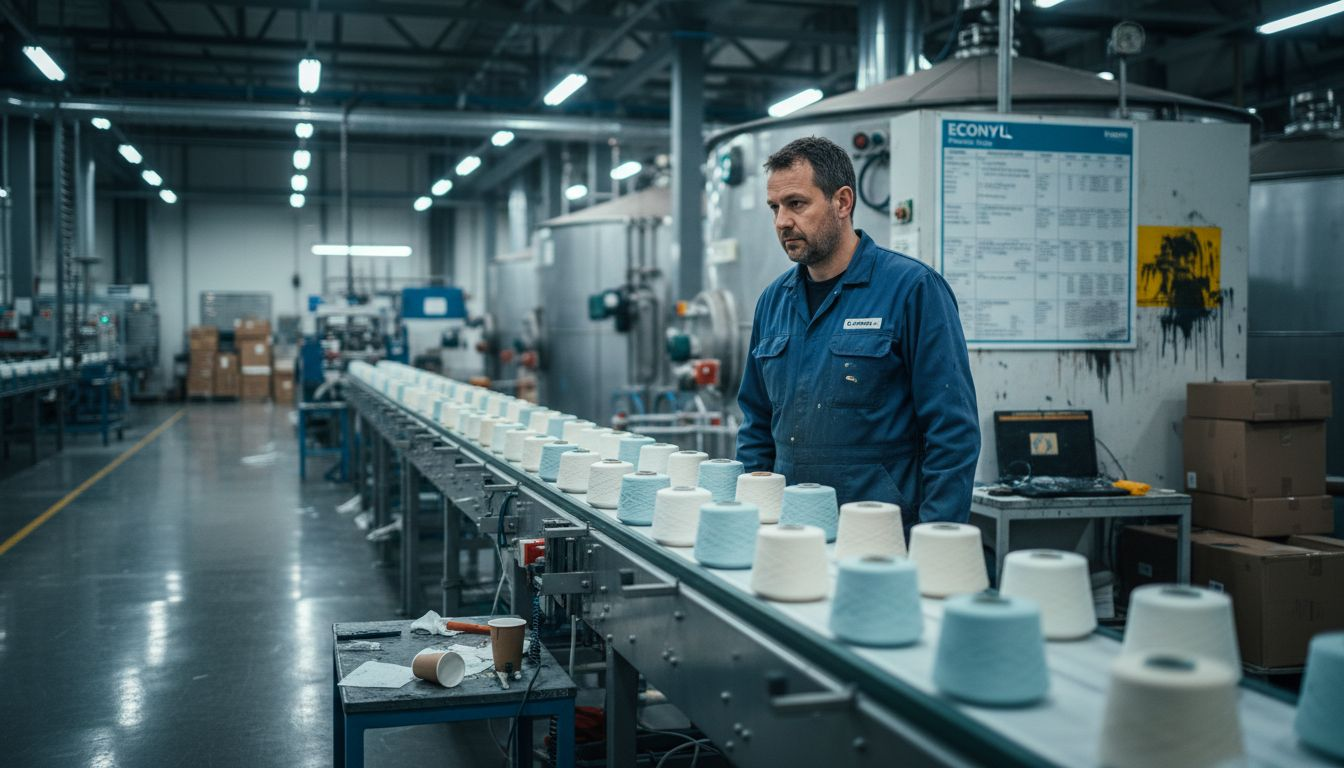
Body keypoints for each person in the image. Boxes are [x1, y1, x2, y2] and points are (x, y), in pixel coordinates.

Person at [735, 136, 980, 525]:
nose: (782, 221)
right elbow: (756, 424)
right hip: (788, 533)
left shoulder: (912, 290)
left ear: (843, 202)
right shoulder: (773, 302)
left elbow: (952, 433)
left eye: (796, 204)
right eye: (775, 208)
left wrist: (937, 539)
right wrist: (750, 516)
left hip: (884, 537)